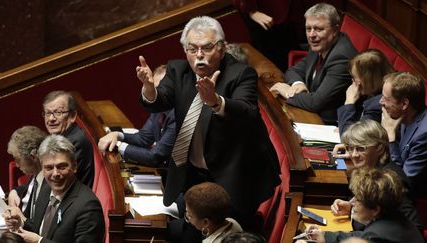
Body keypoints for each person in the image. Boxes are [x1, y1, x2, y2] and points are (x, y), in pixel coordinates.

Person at [136, 15, 280, 238]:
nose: (199, 55)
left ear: (222, 49)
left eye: (207, 48)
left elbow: (247, 112)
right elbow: (159, 101)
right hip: (193, 175)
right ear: (185, 51)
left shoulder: (240, 74)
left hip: (233, 175)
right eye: (193, 49)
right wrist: (148, 88)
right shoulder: (178, 71)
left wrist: (215, 101)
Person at [3, 134, 105, 243]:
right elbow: (40, 227)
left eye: (62, 167)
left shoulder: (88, 205)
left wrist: (39, 241)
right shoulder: (45, 188)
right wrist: (21, 223)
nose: (55, 174)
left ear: (74, 166)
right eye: (49, 168)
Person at [270, 3, 357, 125]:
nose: (311, 35)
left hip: (327, 123)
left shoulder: (342, 58)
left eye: (319, 29)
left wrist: (287, 92)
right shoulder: (321, 43)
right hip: (310, 112)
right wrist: (298, 84)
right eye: (308, 28)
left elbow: (315, 103)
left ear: (335, 30)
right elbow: (294, 70)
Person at [331, 120, 422, 230]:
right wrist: (352, 209)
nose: (354, 155)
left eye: (361, 148)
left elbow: (414, 228)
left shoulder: (390, 180)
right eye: (350, 148)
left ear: (380, 148)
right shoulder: (369, 171)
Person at [305, 168, 424, 243]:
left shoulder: (377, 235)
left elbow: (367, 237)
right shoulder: (394, 216)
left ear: (375, 209)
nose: (352, 203)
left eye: (358, 200)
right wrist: (325, 236)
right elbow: (361, 235)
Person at [98, 65, 176, 167]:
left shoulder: (177, 115)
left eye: (163, 89)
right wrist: (117, 135)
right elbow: (143, 138)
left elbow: (155, 156)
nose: (158, 94)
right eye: (156, 89)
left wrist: (118, 146)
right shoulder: (158, 107)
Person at [379, 71, 427, 198]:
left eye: (386, 98)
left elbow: (402, 181)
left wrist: (390, 137)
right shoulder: (403, 116)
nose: (380, 102)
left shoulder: (424, 134)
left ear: (404, 104)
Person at [42, 90, 94, 188]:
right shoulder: (61, 136)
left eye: (58, 112)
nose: (51, 119)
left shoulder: (73, 143)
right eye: (48, 113)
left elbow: (58, 181)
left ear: (73, 116)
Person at [337, 49, 395, 135]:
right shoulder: (371, 93)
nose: (353, 82)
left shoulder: (379, 105)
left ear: (369, 79)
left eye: (355, 77)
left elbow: (352, 138)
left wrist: (349, 102)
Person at [232, 0, 295, 71]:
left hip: (277, 10)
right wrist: (251, 10)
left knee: (289, 52)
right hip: (261, 13)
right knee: (278, 60)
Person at [6, 126, 49, 219]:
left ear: (33, 157)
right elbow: (29, 187)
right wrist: (14, 191)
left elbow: (37, 227)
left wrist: (20, 218)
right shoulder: (36, 174)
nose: (16, 165)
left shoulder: (50, 185)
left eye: (18, 159)